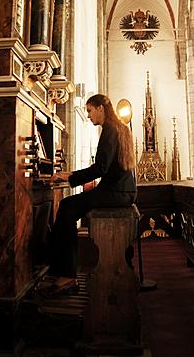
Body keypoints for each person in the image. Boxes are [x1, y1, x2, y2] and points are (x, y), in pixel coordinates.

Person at [47, 93, 137, 294]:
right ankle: (61, 269)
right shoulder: (119, 128)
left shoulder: (110, 130)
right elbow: (107, 168)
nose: (88, 116)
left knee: (67, 207)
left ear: (100, 109)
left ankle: (67, 276)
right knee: (69, 207)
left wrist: (68, 177)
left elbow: (101, 168)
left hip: (116, 193)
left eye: (89, 110)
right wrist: (71, 177)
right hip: (122, 191)